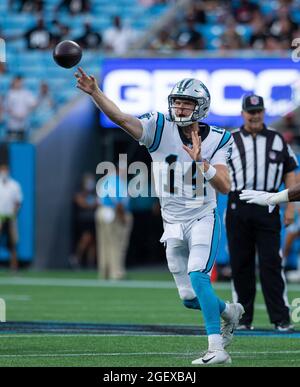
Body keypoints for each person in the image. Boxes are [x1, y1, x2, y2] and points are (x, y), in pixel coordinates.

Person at [75, 67, 244, 365]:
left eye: (186, 103)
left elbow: (225, 185)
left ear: (201, 106)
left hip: (203, 216)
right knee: (188, 298)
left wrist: (201, 162)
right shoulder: (159, 126)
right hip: (172, 222)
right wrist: (95, 93)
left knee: (198, 277)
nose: (179, 107)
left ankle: (217, 348)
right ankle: (230, 311)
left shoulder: (219, 138)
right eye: (177, 101)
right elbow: (120, 118)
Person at [226, 94, 298, 332]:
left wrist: (290, 206)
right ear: (242, 113)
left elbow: (290, 170)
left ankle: (280, 317)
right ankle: (243, 317)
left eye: (258, 111)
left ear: (264, 112)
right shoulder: (230, 139)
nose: (255, 116)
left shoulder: (277, 139)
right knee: (241, 263)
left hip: (269, 202)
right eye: (250, 111)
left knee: (271, 263)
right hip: (239, 202)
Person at [95, 162, 133, 280]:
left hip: (101, 212)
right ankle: (116, 272)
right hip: (113, 213)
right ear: (118, 169)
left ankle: (104, 271)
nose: (125, 172)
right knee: (117, 244)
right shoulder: (117, 181)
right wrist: (122, 217)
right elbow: (118, 202)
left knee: (104, 243)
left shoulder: (105, 180)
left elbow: (98, 199)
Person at [71, 173, 97, 269]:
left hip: (92, 220)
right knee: (86, 239)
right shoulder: (79, 193)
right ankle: (76, 258)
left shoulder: (94, 193)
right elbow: (82, 203)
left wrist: (93, 203)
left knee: (93, 242)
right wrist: (91, 204)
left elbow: (97, 203)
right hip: (83, 221)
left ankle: (91, 263)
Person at [0, 163, 23, 270]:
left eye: (5, 170)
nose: (4, 172)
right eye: (2, 169)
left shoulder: (14, 185)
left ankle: (14, 267)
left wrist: (14, 212)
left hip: (10, 217)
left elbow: (18, 201)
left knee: (13, 243)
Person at [4, 76, 37, 142]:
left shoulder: (26, 93)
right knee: (11, 144)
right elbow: (7, 108)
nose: (18, 83)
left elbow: (34, 104)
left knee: (22, 144)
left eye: (20, 82)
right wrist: (16, 115)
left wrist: (26, 113)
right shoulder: (9, 93)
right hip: (12, 124)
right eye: (17, 82)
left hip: (23, 124)